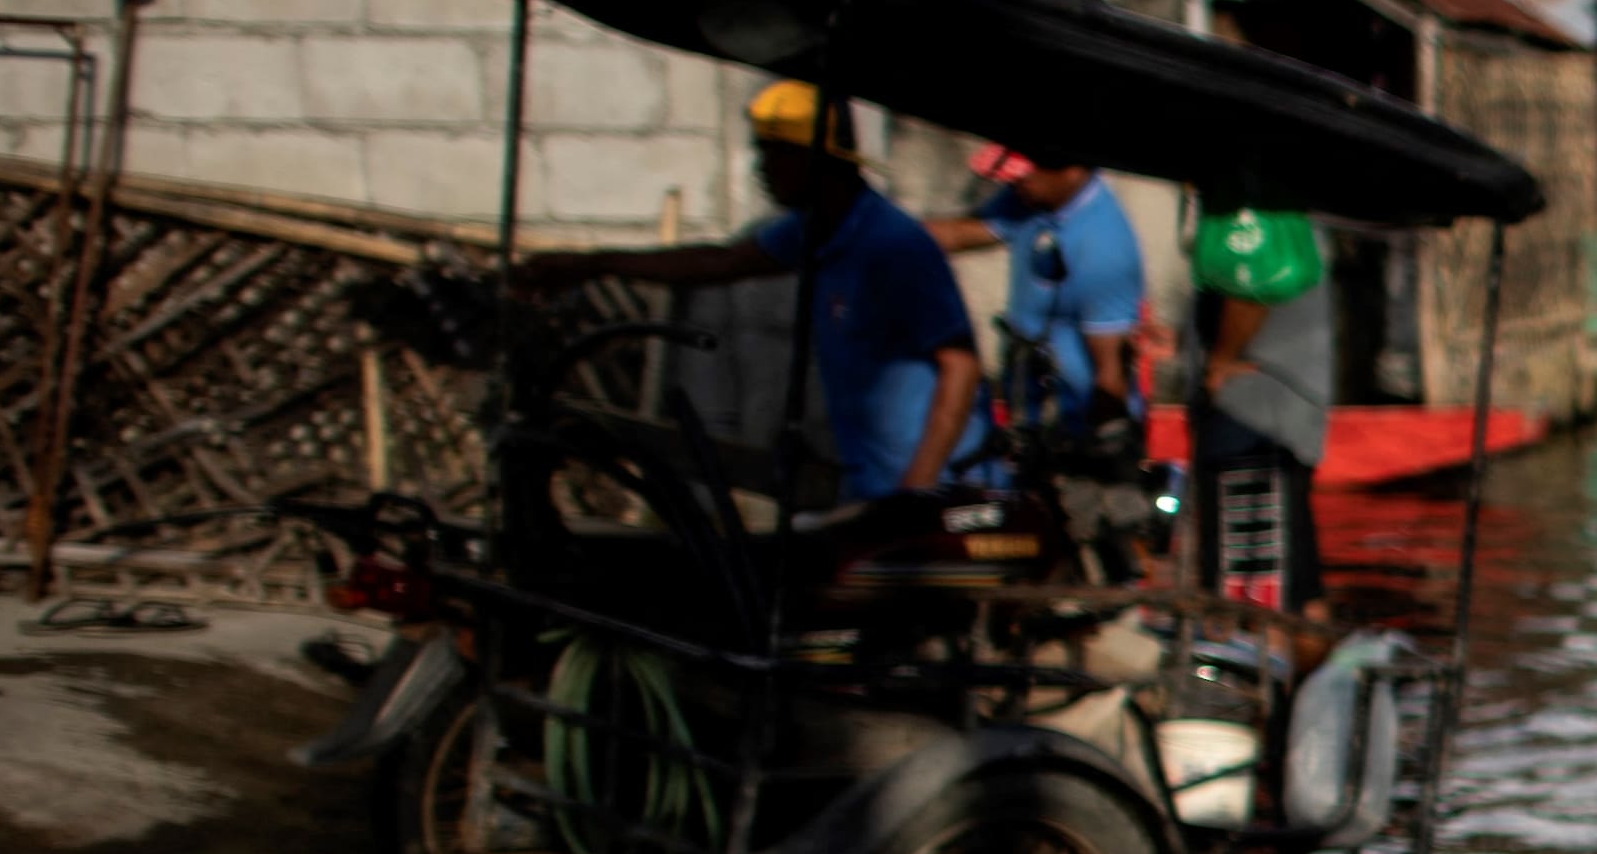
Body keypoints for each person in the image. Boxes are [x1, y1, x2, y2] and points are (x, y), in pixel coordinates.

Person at [523, 78, 986, 504]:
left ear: (817, 160)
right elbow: (719, 262)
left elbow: (960, 365)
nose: (762, 169)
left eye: (775, 154)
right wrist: (594, 264)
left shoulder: (894, 245)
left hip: (938, 492)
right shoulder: (812, 233)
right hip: (874, 487)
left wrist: (918, 490)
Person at [1178, 205, 1336, 614]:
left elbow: (1252, 286)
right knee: (1296, 583)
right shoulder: (1274, 203)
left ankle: (1266, 676)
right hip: (1269, 411)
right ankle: (1304, 675)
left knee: (1253, 598)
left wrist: (1220, 360)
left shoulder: (1252, 204)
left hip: (1253, 415)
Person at [930, 146, 1153, 436]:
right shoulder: (1034, 200)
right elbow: (965, 232)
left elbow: (1110, 376)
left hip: (1076, 429)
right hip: (1028, 411)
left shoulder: (1103, 246)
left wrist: (1094, 453)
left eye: (1024, 176)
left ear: (1072, 172)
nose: (1014, 184)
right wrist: (888, 235)